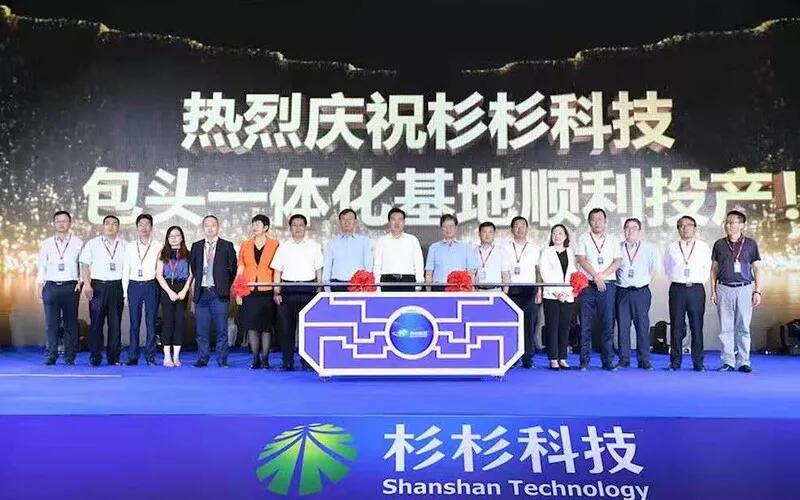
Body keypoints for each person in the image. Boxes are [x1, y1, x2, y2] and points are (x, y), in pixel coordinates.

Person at [710, 210, 763, 373]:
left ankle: (744, 361)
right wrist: (713, 291)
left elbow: (757, 268)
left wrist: (757, 291)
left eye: (732, 222)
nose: (728, 225)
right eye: (726, 222)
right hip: (723, 288)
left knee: (743, 327)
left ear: (741, 225)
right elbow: (714, 269)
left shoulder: (751, 244)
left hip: (744, 288)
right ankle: (728, 361)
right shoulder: (719, 244)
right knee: (725, 328)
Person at [271, 214, 324, 371]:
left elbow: (319, 269)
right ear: (290, 228)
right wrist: (276, 291)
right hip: (288, 289)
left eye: (301, 225)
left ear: (305, 227)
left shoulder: (314, 246)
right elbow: (277, 270)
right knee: (287, 328)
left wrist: (319, 287)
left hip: (308, 289)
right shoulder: (283, 246)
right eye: (294, 225)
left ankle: (307, 362)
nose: (298, 228)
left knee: (307, 328)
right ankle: (287, 362)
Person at [574, 208, 622, 371]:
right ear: (589, 222)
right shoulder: (583, 238)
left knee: (607, 323)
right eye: (593, 219)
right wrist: (595, 276)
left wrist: (602, 276)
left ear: (605, 221)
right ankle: (584, 361)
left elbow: (617, 261)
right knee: (585, 323)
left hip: (607, 285)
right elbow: (581, 259)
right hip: (587, 285)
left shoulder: (613, 240)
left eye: (600, 219)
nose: (597, 222)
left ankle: (607, 360)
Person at [663, 215, 712, 371]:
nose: (685, 228)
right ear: (678, 229)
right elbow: (667, 268)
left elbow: (707, 267)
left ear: (695, 228)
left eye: (689, 225)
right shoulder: (671, 247)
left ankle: (698, 363)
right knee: (676, 326)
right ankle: (675, 362)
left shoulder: (703, 247)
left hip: (696, 289)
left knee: (697, 326)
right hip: (677, 289)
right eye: (681, 225)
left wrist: (697, 281)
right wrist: (679, 279)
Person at [189, 215, 237, 368]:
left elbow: (233, 269)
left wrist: (223, 284)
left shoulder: (227, 246)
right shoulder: (196, 246)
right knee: (201, 330)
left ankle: (222, 359)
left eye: (213, 225)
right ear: (203, 228)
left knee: (222, 329)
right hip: (202, 292)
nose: (210, 228)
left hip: (218, 292)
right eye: (207, 225)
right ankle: (202, 358)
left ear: (218, 227)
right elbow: (194, 268)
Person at [37, 210, 82, 365]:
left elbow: (82, 264)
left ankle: (70, 356)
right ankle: (51, 354)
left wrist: (81, 281)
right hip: (51, 286)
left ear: (69, 223)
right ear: (54, 223)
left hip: (71, 287)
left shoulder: (78, 242)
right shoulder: (46, 243)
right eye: (58, 221)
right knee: (51, 324)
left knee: (71, 323)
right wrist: (40, 284)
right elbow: (41, 265)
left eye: (64, 221)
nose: (61, 224)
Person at [79, 215, 126, 366]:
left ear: (118, 227)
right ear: (103, 226)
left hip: (117, 287)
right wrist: (87, 284)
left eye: (114, 223)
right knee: (96, 323)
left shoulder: (125, 245)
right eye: (107, 223)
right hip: (98, 287)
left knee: (115, 325)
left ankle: (114, 358)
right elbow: (85, 265)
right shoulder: (92, 244)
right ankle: (95, 356)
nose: (111, 226)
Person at [614, 218, 659, 370]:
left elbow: (654, 268)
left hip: (641, 292)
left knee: (642, 326)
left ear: (639, 231)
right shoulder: (617, 248)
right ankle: (624, 359)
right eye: (627, 227)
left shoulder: (649, 248)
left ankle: (644, 359)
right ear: (623, 230)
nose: (630, 231)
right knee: (623, 327)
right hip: (622, 291)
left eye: (634, 228)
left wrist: (644, 282)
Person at [236, 214, 279, 369]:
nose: (254, 227)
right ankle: (255, 358)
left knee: (266, 327)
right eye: (253, 224)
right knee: (252, 326)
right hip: (249, 290)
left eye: (258, 224)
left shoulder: (275, 244)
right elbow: (241, 267)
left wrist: (277, 290)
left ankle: (265, 358)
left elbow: (278, 268)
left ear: (266, 227)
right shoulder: (245, 244)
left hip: (267, 289)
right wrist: (238, 290)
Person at [122, 213, 162, 365]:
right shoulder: (130, 246)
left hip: (151, 285)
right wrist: (125, 292)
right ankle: (133, 356)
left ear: (151, 227)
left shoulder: (159, 246)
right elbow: (126, 269)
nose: (144, 228)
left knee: (151, 322)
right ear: (137, 227)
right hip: (134, 285)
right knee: (134, 323)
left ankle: (150, 356)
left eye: (147, 224)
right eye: (141, 225)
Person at [536, 224, 577, 370]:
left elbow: (573, 273)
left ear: (565, 236)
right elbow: (544, 272)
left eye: (560, 233)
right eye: (554, 233)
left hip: (567, 295)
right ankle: (553, 358)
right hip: (551, 295)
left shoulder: (570, 252)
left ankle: (562, 358)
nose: (557, 236)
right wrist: (556, 292)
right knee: (552, 327)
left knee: (565, 327)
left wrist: (568, 291)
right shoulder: (547, 251)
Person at [505, 216, 542, 369]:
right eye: (516, 225)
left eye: (522, 225)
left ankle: (528, 358)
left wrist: (539, 289)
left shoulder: (534, 248)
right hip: (511, 289)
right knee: (512, 325)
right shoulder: (505, 248)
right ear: (512, 229)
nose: (519, 228)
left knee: (529, 324)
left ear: (527, 229)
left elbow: (538, 270)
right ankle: (512, 358)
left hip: (530, 289)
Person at [155, 226, 193, 367]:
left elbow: (191, 274)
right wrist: (169, 292)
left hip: (182, 287)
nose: (174, 238)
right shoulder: (162, 253)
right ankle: (166, 356)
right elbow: (158, 275)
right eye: (171, 236)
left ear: (182, 237)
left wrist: (184, 290)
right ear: (167, 238)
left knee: (179, 322)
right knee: (168, 322)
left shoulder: (188, 254)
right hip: (167, 288)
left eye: (177, 235)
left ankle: (176, 356)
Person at [373, 207, 424, 292]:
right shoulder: (381, 240)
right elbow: (377, 265)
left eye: (400, 219)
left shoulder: (412, 240)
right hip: (386, 281)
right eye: (393, 219)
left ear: (404, 222)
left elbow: (418, 263)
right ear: (389, 222)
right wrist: (377, 286)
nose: (397, 223)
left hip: (408, 280)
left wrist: (419, 284)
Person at [323, 209, 373, 292]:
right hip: (337, 285)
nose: (347, 222)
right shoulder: (332, 242)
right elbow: (327, 267)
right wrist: (327, 289)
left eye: (350, 219)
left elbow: (368, 266)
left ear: (355, 222)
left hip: (358, 285)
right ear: (340, 222)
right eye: (344, 219)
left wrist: (367, 286)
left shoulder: (364, 241)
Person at [425, 214, 478, 291]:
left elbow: (471, 273)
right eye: (445, 226)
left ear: (456, 228)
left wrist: (471, 290)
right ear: (441, 228)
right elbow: (429, 273)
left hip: (460, 288)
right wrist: (428, 293)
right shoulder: (434, 247)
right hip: (439, 287)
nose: (448, 229)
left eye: (451, 226)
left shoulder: (466, 247)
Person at [473, 222, 510, 292]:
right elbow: (471, 274)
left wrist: (505, 293)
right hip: (478, 291)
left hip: (496, 291)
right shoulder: (473, 251)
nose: (487, 235)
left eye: (490, 232)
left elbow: (505, 275)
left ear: (494, 234)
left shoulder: (501, 251)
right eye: (484, 232)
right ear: (479, 234)